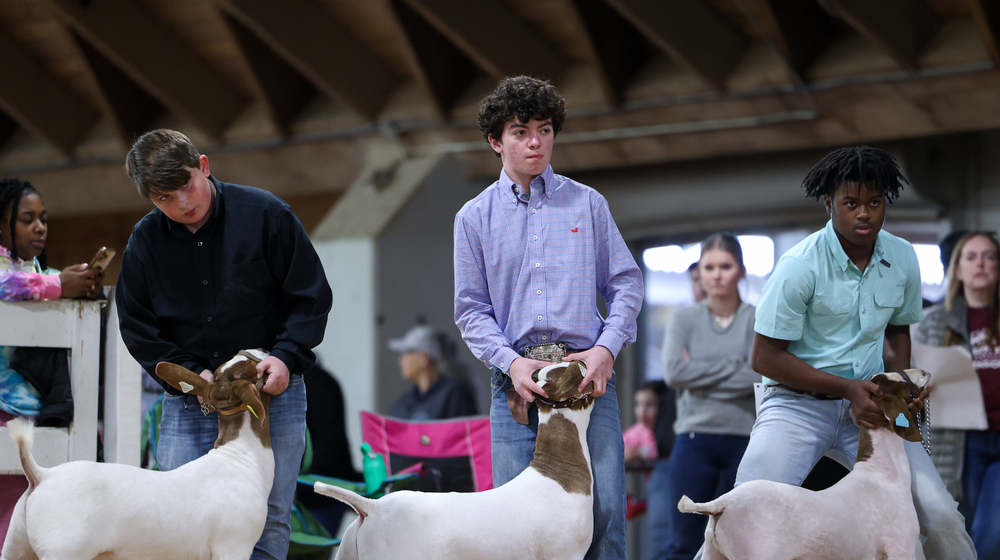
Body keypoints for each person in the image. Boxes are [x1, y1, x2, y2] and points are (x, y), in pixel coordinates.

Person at [693, 146, 973, 560]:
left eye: (874, 202)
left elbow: (898, 332)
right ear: (829, 204)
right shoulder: (799, 266)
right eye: (851, 203)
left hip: (875, 407)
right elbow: (765, 358)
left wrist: (901, 387)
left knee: (941, 516)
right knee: (744, 511)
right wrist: (847, 389)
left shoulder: (902, 258)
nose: (864, 213)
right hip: (795, 408)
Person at [115, 129, 332, 560]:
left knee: (268, 517)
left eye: (186, 187)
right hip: (190, 402)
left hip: (271, 397)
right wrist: (187, 372)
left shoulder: (266, 214)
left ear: (204, 167)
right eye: (164, 199)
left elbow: (310, 296)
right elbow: (137, 323)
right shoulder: (144, 241)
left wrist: (287, 356)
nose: (182, 204)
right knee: (177, 522)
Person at [454, 75, 644, 559]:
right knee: (516, 529)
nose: (535, 141)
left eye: (544, 129)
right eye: (520, 131)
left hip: (586, 379)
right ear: (496, 141)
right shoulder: (473, 218)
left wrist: (606, 349)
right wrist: (510, 364)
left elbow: (625, 283)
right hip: (515, 382)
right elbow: (471, 311)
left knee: (603, 515)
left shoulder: (588, 203)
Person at [0, 177, 104, 538]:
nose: (40, 227)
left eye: (43, 218)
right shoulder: (12, 271)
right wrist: (62, 285)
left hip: (38, 406)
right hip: (4, 408)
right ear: (1, 224)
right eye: (27, 219)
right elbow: (5, 284)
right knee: (11, 511)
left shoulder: (38, 272)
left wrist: (76, 287)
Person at [651, 232, 757, 560]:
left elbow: (758, 375)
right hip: (694, 440)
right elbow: (674, 373)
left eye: (725, 266)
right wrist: (733, 364)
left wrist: (699, 375)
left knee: (742, 543)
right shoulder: (684, 319)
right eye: (709, 267)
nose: (717, 275)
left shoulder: (756, 317)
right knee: (684, 541)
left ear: (740, 270)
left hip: (745, 438)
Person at [914, 231, 1000, 560]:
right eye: (971, 257)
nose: (980, 263)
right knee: (959, 533)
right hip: (959, 443)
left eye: (989, 256)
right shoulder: (934, 323)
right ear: (958, 270)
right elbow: (910, 381)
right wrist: (919, 388)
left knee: (991, 534)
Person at [387, 325, 478, 420]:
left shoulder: (455, 394)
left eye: (407, 353)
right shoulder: (406, 400)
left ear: (424, 358)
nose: (401, 360)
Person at [623, 381, 664, 463]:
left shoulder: (668, 429)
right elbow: (615, 448)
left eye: (649, 405)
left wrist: (641, 453)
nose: (642, 411)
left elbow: (666, 451)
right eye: (638, 404)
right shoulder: (638, 431)